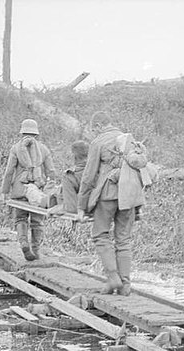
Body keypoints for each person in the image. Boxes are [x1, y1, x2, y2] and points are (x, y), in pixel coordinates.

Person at [77, 111, 148, 295]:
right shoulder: (129, 140)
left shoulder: (98, 142)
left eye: (94, 129)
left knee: (100, 235)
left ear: (99, 126)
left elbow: (88, 176)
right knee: (123, 240)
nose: (94, 132)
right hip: (129, 197)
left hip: (107, 195)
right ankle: (125, 285)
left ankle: (112, 278)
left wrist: (81, 205)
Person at [1, 119, 55, 261]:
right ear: (36, 134)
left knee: (20, 219)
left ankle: (24, 243)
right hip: (37, 191)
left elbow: (9, 172)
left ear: (22, 132)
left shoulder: (16, 148)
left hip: (20, 189)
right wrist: (50, 190)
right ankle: (36, 251)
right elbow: (51, 172)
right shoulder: (43, 149)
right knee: (38, 221)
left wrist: (4, 191)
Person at [61, 140, 89, 214]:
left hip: (51, 198)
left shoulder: (70, 175)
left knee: (30, 189)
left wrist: (55, 209)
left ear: (73, 155)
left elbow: (71, 208)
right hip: (96, 206)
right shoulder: (100, 169)